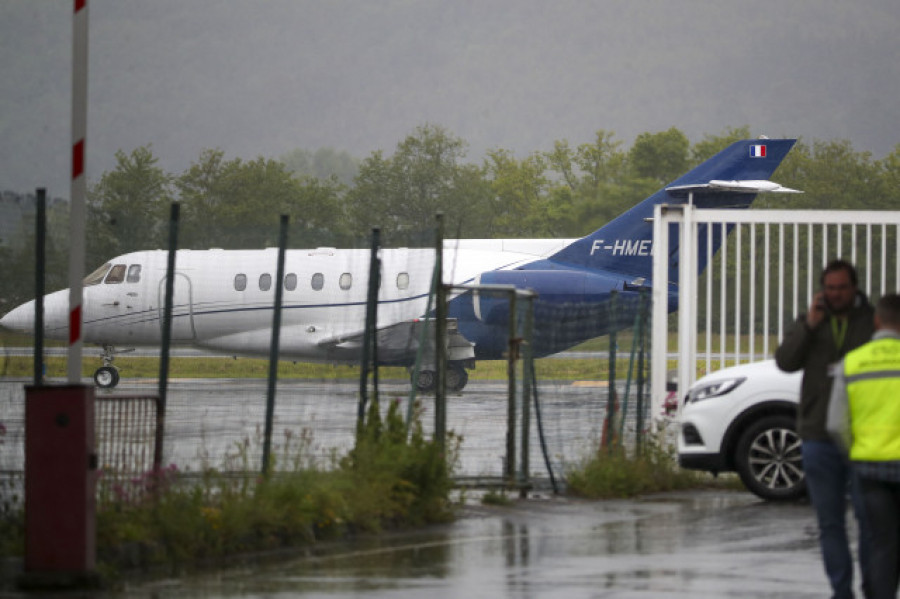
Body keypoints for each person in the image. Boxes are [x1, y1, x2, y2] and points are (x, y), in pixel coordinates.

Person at [775, 259, 874, 598]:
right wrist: (809, 325)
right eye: (829, 288)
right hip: (818, 434)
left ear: (855, 288)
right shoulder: (812, 322)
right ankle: (841, 591)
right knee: (830, 523)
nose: (835, 294)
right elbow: (785, 361)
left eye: (841, 288)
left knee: (869, 519)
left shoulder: (872, 322)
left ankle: (874, 588)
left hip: (864, 436)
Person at [828, 293, 900, 599]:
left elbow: (834, 424)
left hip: (870, 469)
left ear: (876, 320)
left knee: (883, 546)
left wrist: (855, 451)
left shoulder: (854, 362)